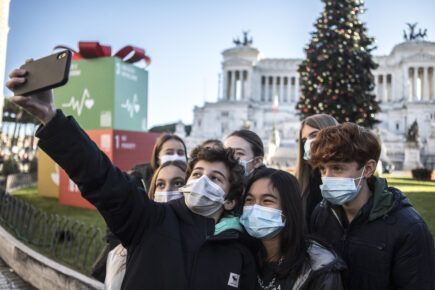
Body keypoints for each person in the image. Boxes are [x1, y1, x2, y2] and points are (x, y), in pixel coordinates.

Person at [7, 68, 257, 290]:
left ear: (230, 201)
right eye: (197, 174)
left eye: (215, 178)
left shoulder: (239, 254)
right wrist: (51, 117)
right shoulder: (151, 219)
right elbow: (100, 176)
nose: (202, 182)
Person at [309, 122, 435, 290]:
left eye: (337, 168)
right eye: (323, 170)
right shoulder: (321, 213)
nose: (327, 178)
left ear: (368, 169)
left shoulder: (409, 227)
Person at [240, 167, 345, 289]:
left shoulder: (319, 267)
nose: (255, 208)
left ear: (289, 209)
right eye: (249, 200)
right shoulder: (241, 254)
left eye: (267, 200)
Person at [105, 161, 187, 290]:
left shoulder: (203, 244)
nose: (167, 190)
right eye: (160, 184)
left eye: (178, 183)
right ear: (153, 192)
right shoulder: (122, 253)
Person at [294, 114, 338, 225]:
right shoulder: (302, 183)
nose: (309, 142)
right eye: (304, 140)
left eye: (314, 135)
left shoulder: (346, 177)